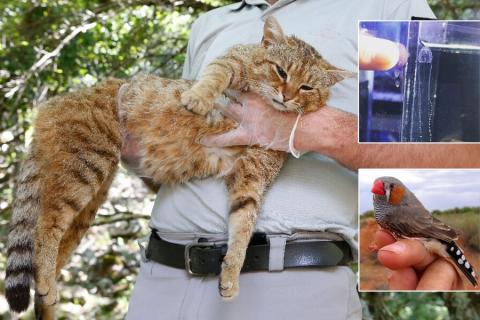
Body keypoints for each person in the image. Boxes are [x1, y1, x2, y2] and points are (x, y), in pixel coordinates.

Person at [123, 1, 475, 319]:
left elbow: (460, 157)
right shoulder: (209, 23)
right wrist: (139, 151)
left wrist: (304, 128)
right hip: (160, 276)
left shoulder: (390, 6)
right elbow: (177, 153)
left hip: (290, 284)